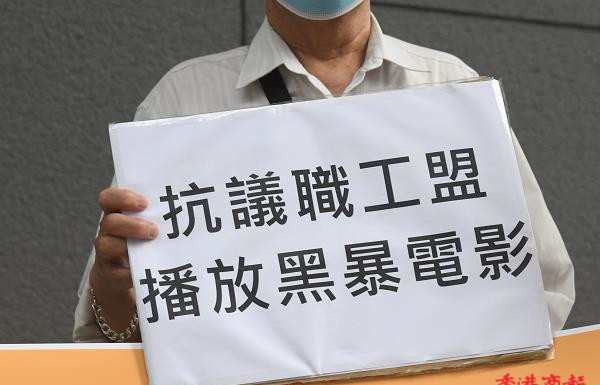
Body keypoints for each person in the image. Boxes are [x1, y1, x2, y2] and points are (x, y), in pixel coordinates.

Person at [73, 0, 575, 342]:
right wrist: (114, 292)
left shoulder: (450, 87)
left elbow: (543, 288)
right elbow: (110, 334)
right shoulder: (182, 101)